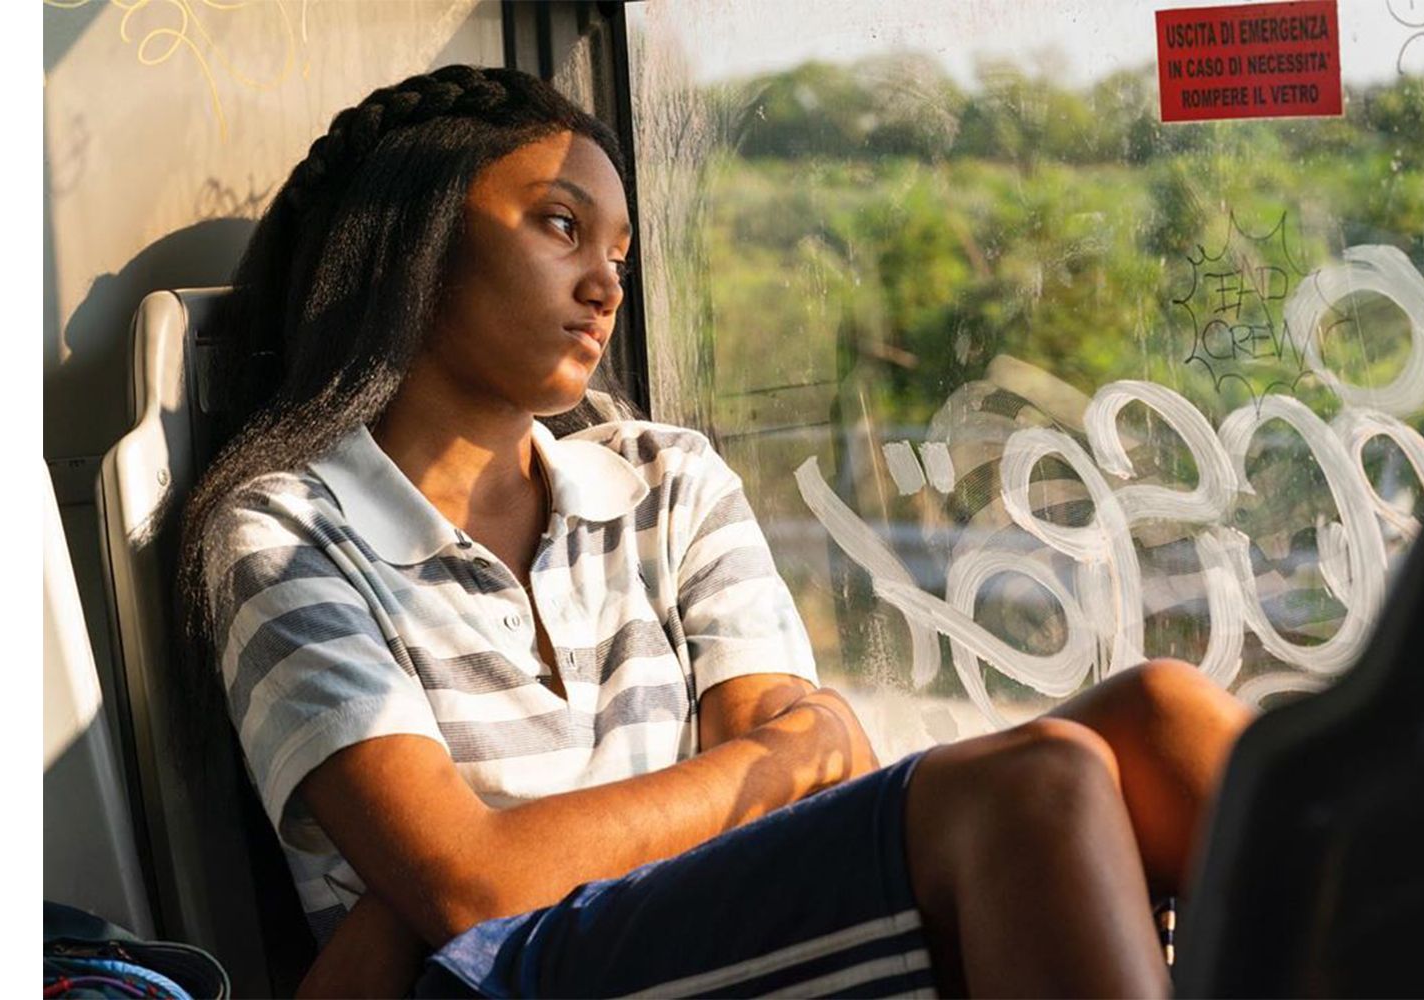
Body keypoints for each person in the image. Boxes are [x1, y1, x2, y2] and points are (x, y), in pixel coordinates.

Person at [179, 64, 1253, 998]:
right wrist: (486, 869)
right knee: (1033, 784)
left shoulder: (663, 478)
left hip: (693, 925)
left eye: (620, 253)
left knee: (1161, 716)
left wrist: (516, 845)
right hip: (505, 976)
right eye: (560, 226)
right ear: (414, 245)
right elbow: (474, 890)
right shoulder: (282, 533)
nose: (604, 285)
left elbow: (800, 768)